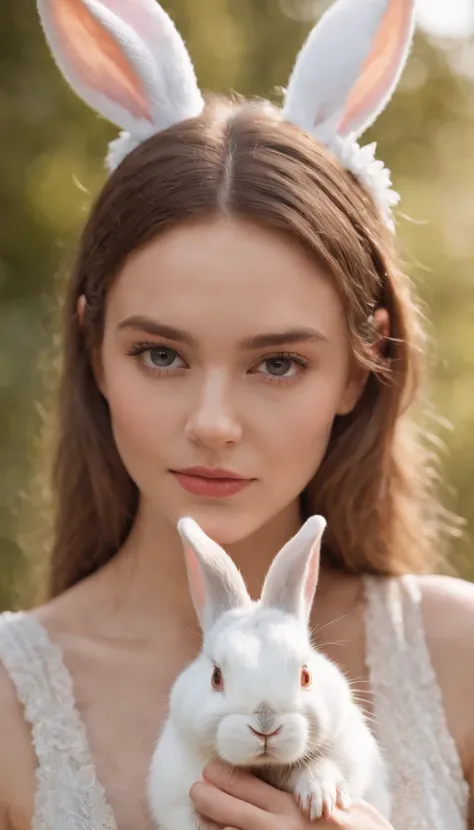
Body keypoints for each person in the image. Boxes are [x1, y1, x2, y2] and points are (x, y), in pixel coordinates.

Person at [0, 0, 473, 828]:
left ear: (362, 371)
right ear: (94, 348)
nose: (213, 422)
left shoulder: (461, 658)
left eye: (278, 363)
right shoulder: (10, 704)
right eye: (161, 355)